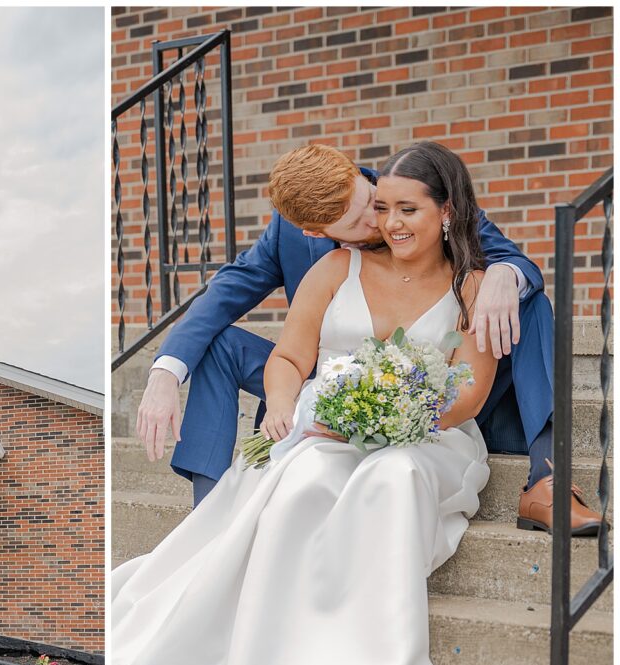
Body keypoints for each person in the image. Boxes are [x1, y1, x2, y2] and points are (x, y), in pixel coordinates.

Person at [113, 142, 504, 665]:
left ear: (441, 212)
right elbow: (287, 352)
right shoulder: (330, 266)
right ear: (317, 233)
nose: (382, 225)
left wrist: (395, 417)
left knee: (392, 476)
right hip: (332, 421)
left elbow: (469, 391)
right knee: (301, 480)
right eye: (366, 220)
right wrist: (281, 403)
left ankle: (373, 647)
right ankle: (267, 643)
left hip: (430, 430)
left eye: (392, 210)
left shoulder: (469, 273)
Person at [136, 143, 603, 536]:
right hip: (325, 379)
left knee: (529, 300)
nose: (380, 222)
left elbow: (513, 260)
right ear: (317, 233)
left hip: (428, 383)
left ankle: (547, 479)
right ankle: (210, 509)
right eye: (357, 223)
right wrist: (165, 372)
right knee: (216, 346)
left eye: (371, 203)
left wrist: (505, 271)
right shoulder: (299, 239)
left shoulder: (414, 194)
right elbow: (227, 292)